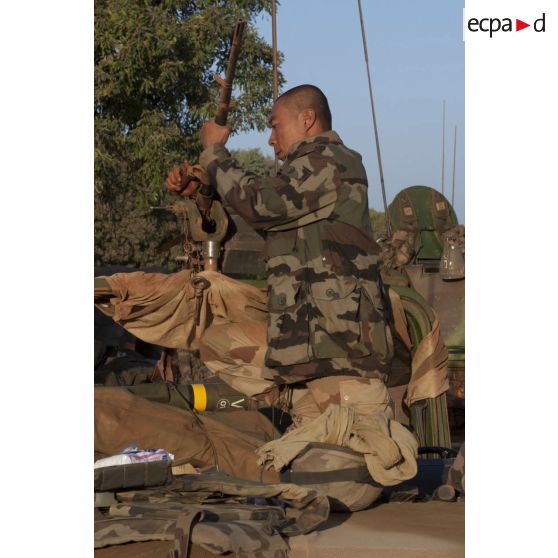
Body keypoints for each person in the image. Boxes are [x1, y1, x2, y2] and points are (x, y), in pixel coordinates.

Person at [167, 84, 393, 394]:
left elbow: (261, 203)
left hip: (344, 368)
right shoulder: (302, 179)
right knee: (216, 343)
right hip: (308, 366)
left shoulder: (332, 163)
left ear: (307, 119)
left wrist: (213, 152)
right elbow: (259, 218)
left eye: (275, 126)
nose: (271, 140)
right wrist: (202, 190)